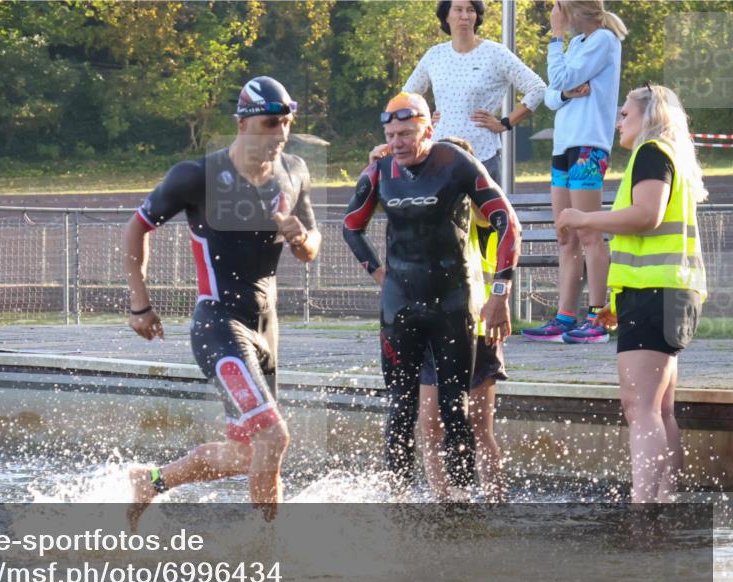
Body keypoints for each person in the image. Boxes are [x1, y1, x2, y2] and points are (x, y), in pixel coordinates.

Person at [124, 76, 322, 526]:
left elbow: (311, 248)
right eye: (271, 123)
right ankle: (267, 549)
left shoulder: (294, 171)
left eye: (287, 123)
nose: (281, 134)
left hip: (267, 328)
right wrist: (140, 304)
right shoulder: (196, 175)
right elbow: (137, 227)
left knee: (243, 453)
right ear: (242, 123)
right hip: (220, 324)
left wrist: (301, 239)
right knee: (273, 436)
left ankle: (150, 481)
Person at [343, 92, 520, 492]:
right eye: (391, 134)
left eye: (406, 132)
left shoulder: (454, 164)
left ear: (429, 127)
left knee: (455, 408)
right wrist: (378, 273)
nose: (398, 141)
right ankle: (399, 500)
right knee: (401, 410)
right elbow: (350, 227)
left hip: (453, 305)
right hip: (399, 307)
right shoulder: (380, 171)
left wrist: (500, 294)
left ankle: (460, 501)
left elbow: (508, 223)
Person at [556, 84, 707, 502]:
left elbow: (646, 215)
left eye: (625, 114)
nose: (619, 121)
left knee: (639, 409)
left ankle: (643, 508)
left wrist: (586, 216)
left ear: (650, 116)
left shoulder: (651, 152)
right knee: (659, 410)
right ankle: (664, 500)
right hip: (667, 292)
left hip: (655, 292)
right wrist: (615, 301)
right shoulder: (671, 154)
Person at [523, 0, 627, 344]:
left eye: (558, 9)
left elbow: (561, 78)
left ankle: (600, 315)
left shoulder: (603, 40)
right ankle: (566, 317)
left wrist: (555, 40)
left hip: (588, 146)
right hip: (563, 146)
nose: (555, 16)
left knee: (588, 232)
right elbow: (553, 95)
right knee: (566, 233)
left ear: (572, 10)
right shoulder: (579, 43)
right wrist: (565, 92)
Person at [414, 137, 508, 502]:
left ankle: (495, 500)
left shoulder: (478, 207)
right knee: (431, 426)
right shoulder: (419, 205)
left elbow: (494, 221)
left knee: (479, 427)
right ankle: (445, 501)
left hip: (475, 326)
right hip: (427, 326)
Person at [373, 0, 546, 183]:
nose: (465, 16)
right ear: (446, 16)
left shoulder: (496, 53)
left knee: (486, 212)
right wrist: (423, 119)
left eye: (471, 10)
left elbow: (537, 88)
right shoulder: (435, 55)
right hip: (439, 157)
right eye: (458, 10)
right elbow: (405, 96)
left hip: (483, 156)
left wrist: (505, 123)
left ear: (477, 16)